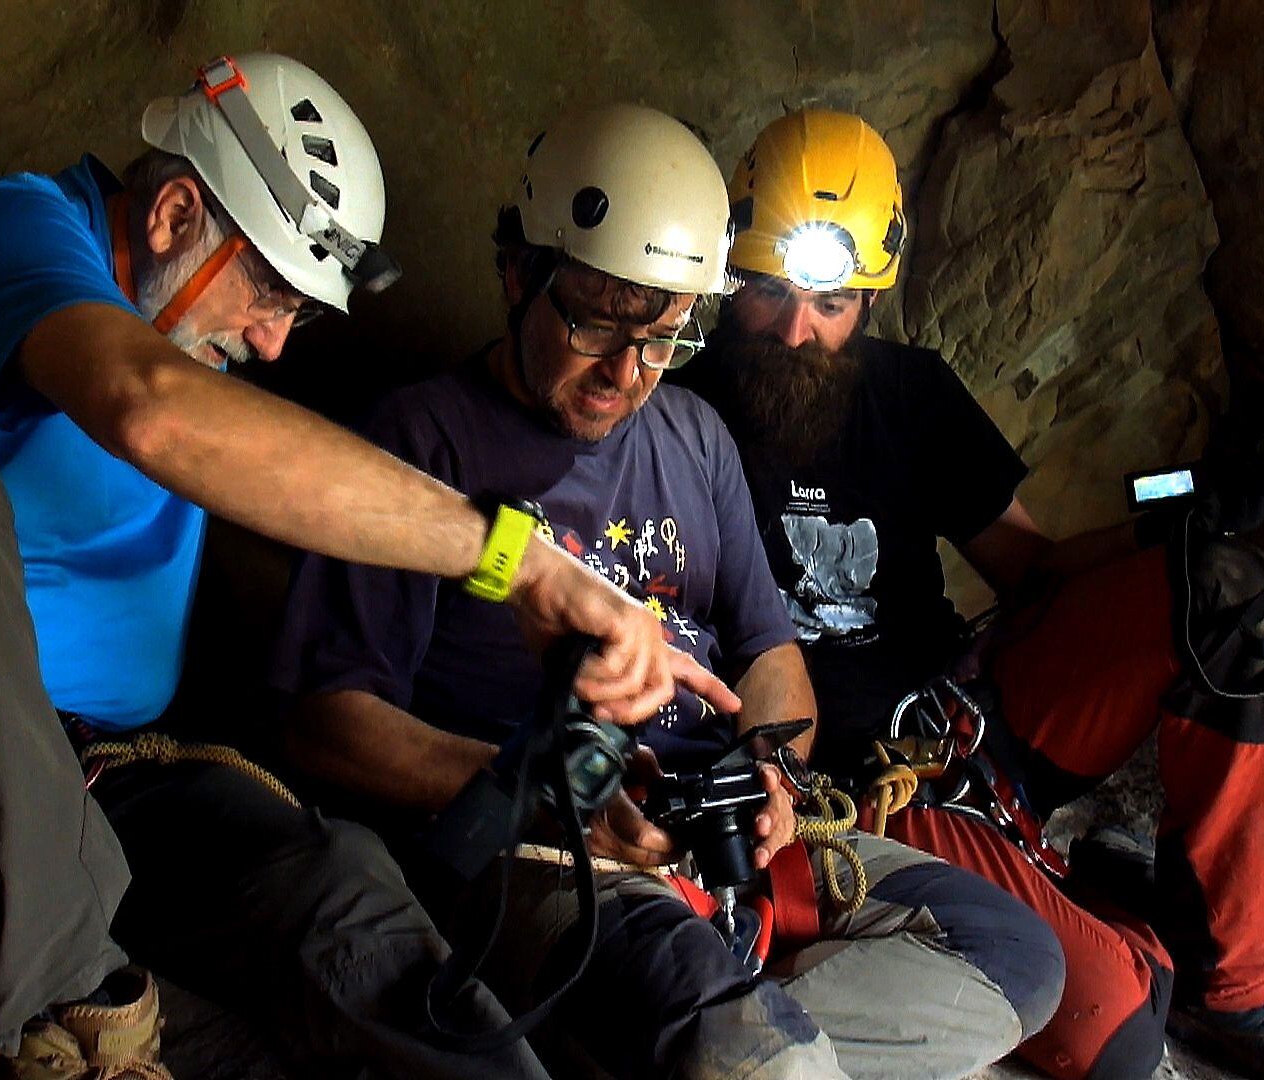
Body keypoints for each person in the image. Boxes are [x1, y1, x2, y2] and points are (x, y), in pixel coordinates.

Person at [0, 54, 734, 1080]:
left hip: (92, 781)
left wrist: (527, 786)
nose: (276, 344)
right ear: (173, 214)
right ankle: (88, 1019)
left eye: (300, 314)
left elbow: (277, 482)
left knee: (334, 888)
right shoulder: (17, 229)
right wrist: (518, 560)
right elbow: (148, 410)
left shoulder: (192, 349)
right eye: (271, 295)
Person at [273, 101, 1065, 1080]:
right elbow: (322, 722)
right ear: (518, 271)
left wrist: (772, 773)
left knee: (1019, 959)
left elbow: (772, 657)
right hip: (553, 850)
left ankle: (723, 1046)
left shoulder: (694, 435)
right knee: (748, 1053)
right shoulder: (418, 446)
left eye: (664, 340)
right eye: (596, 323)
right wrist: (539, 794)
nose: (624, 373)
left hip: (714, 819)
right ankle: (731, 1046)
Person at [677, 108, 1264, 1080]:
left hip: (967, 717)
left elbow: (1032, 568)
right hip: (846, 794)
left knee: (1221, 591)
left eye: (831, 302)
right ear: (728, 277)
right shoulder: (677, 415)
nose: (798, 329)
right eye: (768, 292)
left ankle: (1242, 994)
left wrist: (1183, 510)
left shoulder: (910, 392)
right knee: (1120, 1027)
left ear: (872, 298)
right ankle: (1119, 898)